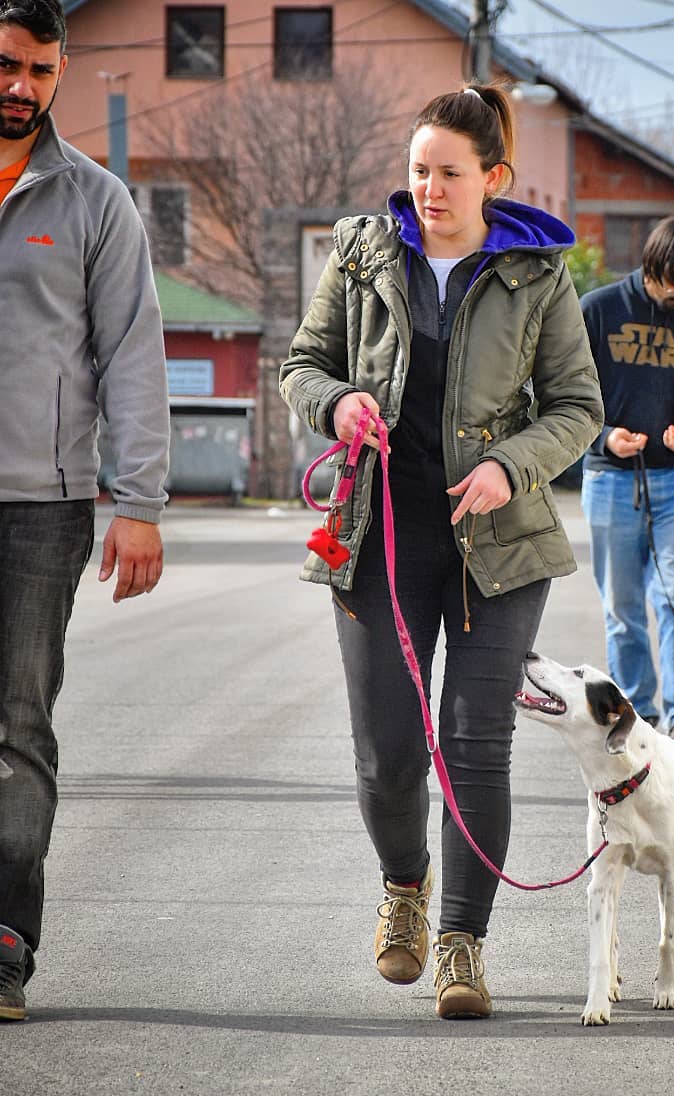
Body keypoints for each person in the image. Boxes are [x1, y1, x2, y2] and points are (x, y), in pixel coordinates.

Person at [279, 84, 602, 1020]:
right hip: (377, 534)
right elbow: (304, 363)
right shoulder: (363, 251)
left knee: (474, 744)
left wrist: (512, 462)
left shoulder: (539, 275)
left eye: (450, 173)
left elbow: (577, 407)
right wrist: (336, 404)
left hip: (497, 541)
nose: (429, 188)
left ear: (493, 178)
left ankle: (463, 943)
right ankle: (404, 891)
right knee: (386, 752)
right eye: (419, 169)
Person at [0, 0, 170, 1023]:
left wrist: (140, 500)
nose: (19, 85)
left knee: (18, 727)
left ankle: (6, 945)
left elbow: (132, 355)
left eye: (38, 70)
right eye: (6, 64)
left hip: (40, 508)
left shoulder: (96, 200)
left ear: (61, 73)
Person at [579, 216, 674, 757]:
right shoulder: (598, 311)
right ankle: (635, 715)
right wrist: (602, 438)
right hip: (609, 482)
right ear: (648, 267)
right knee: (622, 608)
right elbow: (561, 395)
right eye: (669, 279)